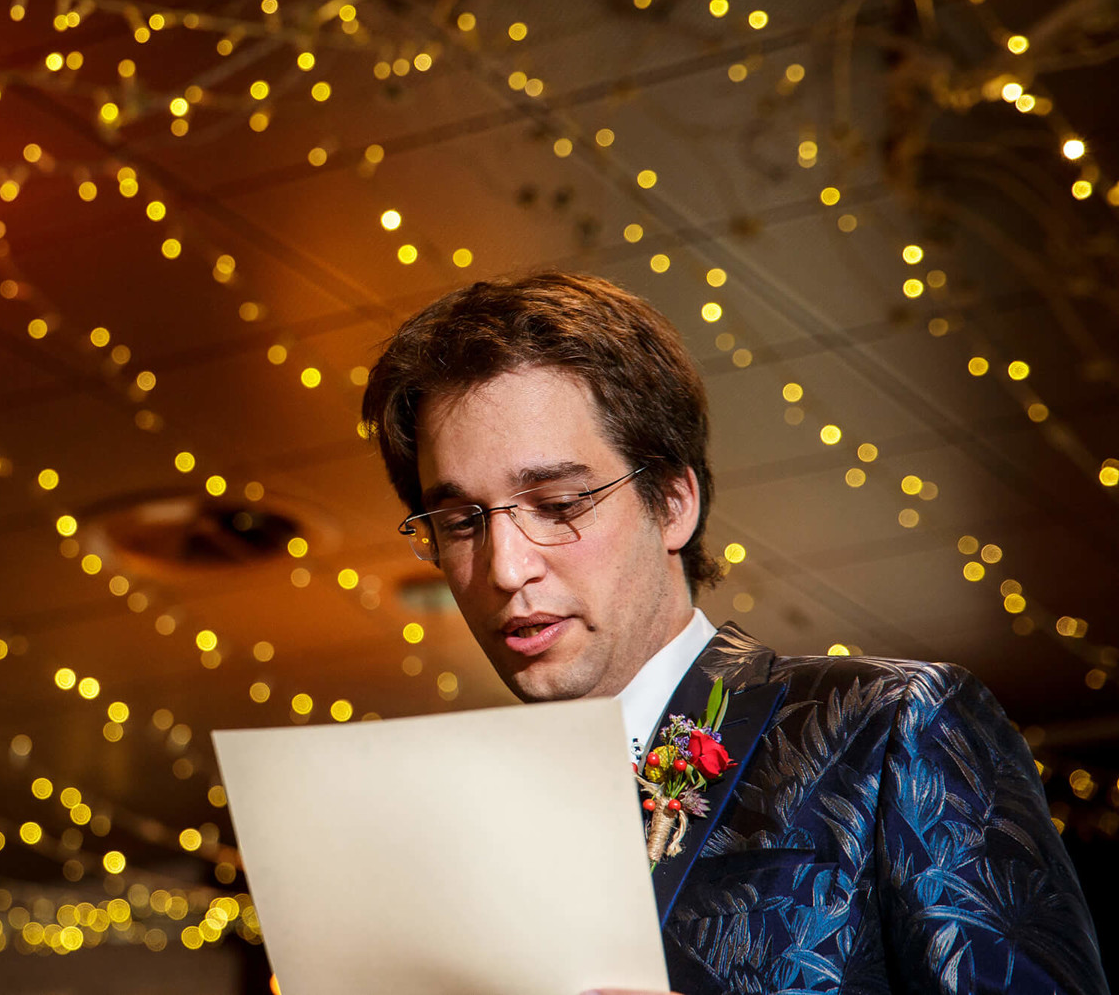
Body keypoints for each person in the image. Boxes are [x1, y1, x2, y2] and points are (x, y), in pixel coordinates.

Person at [360, 271, 1108, 995]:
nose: (503, 566)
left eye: (557, 503)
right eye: (460, 522)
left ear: (674, 503)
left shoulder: (890, 725)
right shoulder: (452, 826)